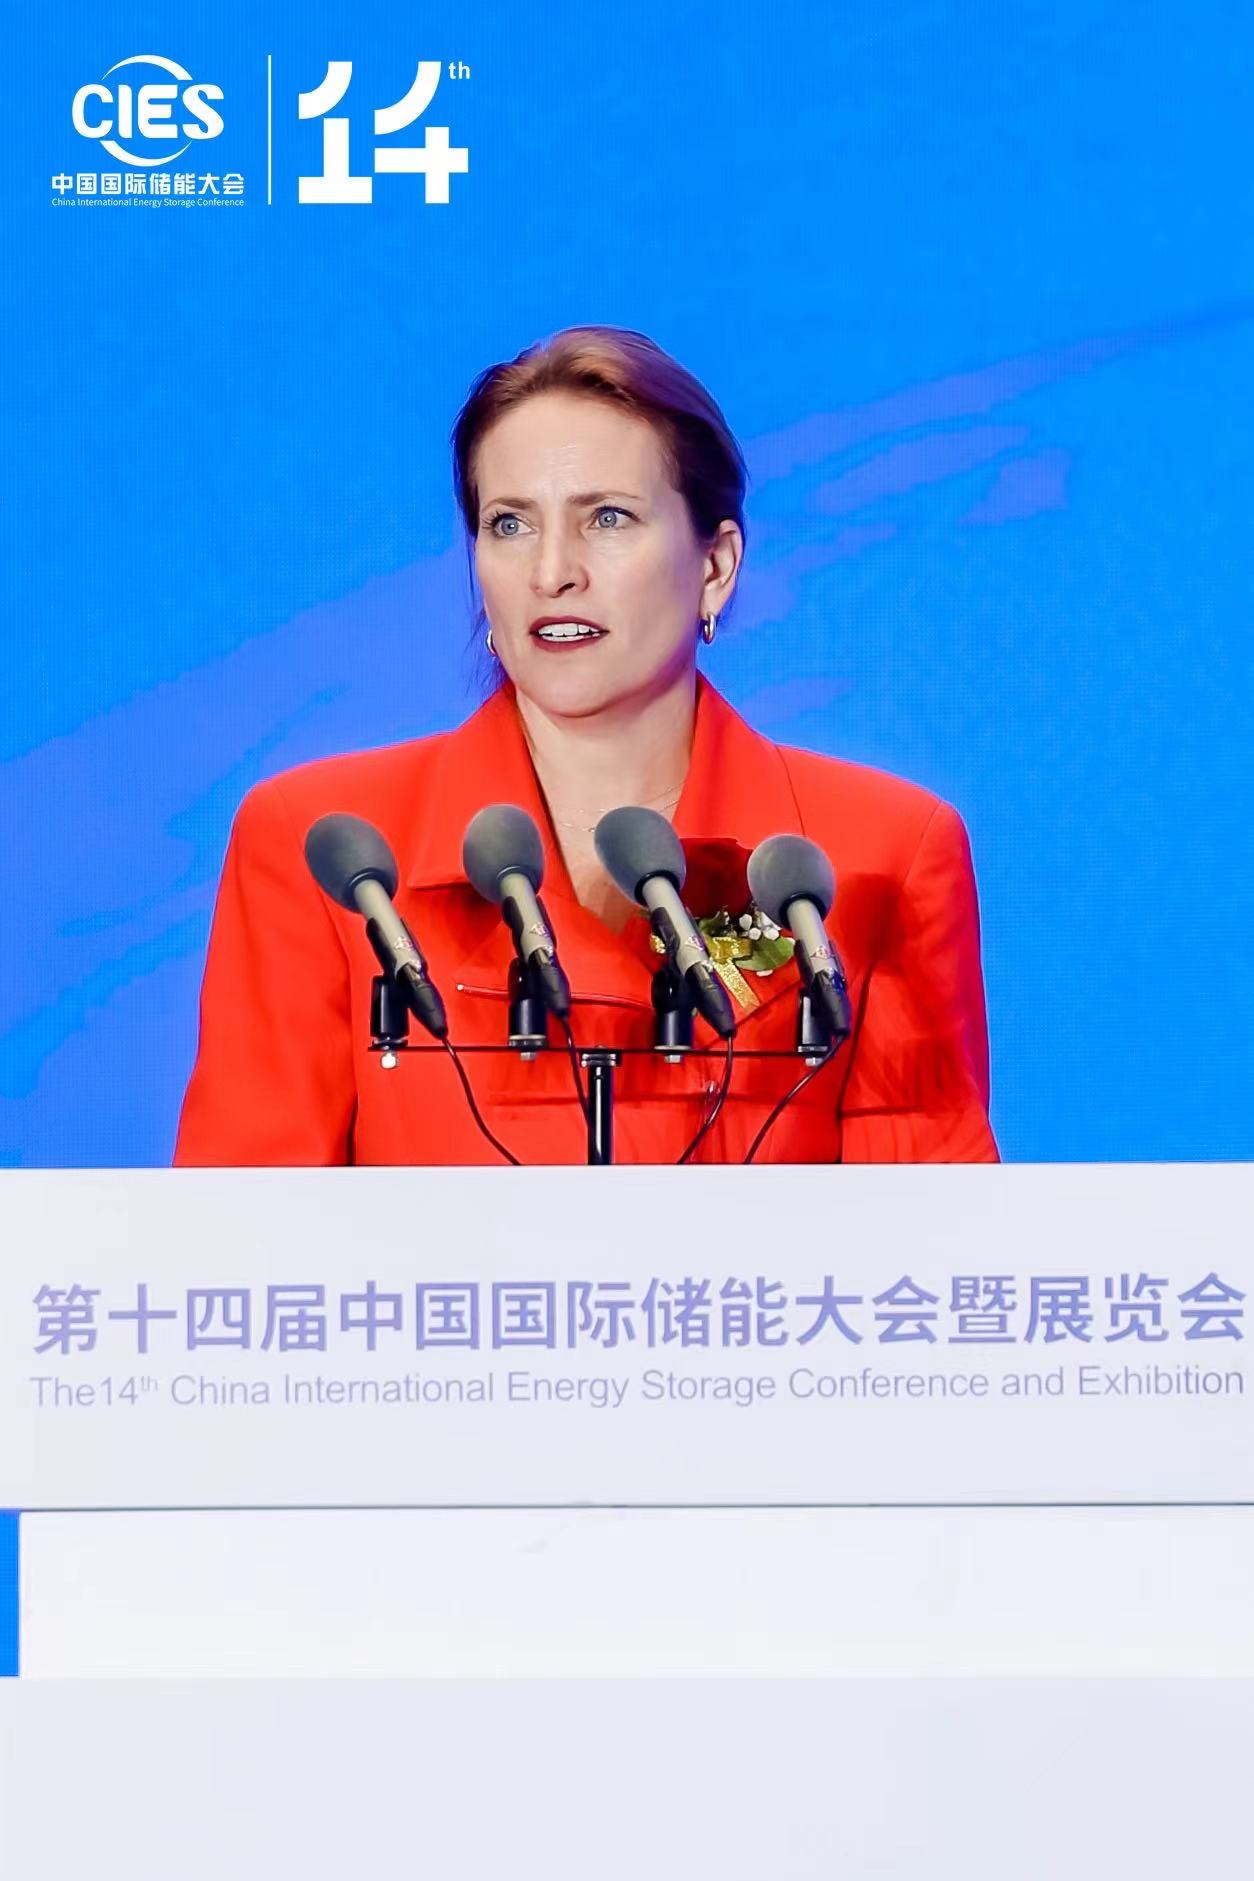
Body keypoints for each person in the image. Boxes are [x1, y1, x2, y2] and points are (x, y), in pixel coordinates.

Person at [175, 326, 998, 1167]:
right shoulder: (329, 846)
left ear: (715, 566)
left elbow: (926, 1223)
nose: (552, 572)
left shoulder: (880, 853)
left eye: (607, 518)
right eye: (509, 523)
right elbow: (243, 1225)